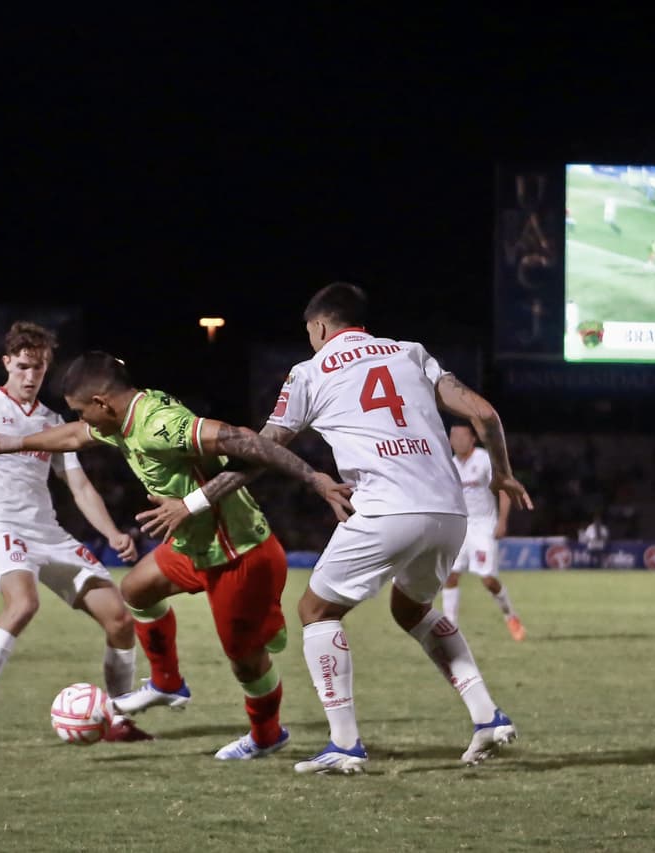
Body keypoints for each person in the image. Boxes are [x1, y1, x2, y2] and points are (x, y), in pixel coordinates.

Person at [140, 282, 533, 773]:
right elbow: (484, 413)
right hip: (450, 512)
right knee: (412, 610)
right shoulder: (411, 353)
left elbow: (263, 450)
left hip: (387, 507)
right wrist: (501, 472)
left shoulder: (310, 371)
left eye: (310, 332)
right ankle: (486, 716)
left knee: (315, 609)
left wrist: (194, 501)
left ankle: (345, 744)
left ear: (321, 326)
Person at [0, 352, 352, 762]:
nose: (84, 420)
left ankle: (267, 734)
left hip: (236, 553)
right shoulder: (118, 421)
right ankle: (168, 682)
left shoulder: (158, 424)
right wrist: (12, 443)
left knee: (246, 663)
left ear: (102, 403)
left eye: (83, 411)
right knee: (136, 589)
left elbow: (248, 440)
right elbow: (72, 437)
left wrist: (317, 480)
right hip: (193, 546)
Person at [0, 321, 149, 755]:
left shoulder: (52, 422)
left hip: (49, 533)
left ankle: (120, 718)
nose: (31, 376)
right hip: (4, 527)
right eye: (24, 366)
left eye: (40, 368)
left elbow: (81, 487)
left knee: (121, 619)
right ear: (7, 363)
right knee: (23, 603)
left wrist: (112, 533)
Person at [440, 423, 525, 641]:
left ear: (473, 439)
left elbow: (504, 489)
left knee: (488, 579)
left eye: (462, 436)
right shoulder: (449, 464)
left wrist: (502, 521)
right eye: (453, 436)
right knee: (450, 576)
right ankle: (450, 628)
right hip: (460, 525)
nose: (457, 440)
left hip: (484, 525)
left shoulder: (484, 459)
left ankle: (510, 615)